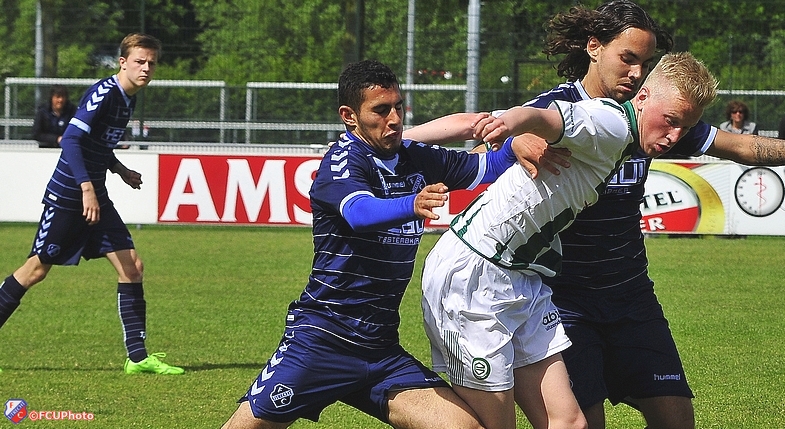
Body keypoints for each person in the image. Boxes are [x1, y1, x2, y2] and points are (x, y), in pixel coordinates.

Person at [409, 1, 785, 427]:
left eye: (645, 63)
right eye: (628, 59)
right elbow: (488, 139)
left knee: (672, 418)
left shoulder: (659, 119)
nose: (636, 72)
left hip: (628, 291)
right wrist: (513, 138)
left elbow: (745, 148)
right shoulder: (576, 111)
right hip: (561, 294)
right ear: (594, 47)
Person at [221, 59, 532, 429]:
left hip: (381, 349)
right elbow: (359, 213)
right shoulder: (341, 160)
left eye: (398, 107)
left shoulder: (415, 156)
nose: (395, 119)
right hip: (322, 340)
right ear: (349, 116)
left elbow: (485, 168)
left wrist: (522, 140)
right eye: (381, 110)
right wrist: (412, 204)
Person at [419, 51, 716, 429]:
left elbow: (474, 123)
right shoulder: (611, 124)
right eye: (671, 121)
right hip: (472, 274)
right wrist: (514, 123)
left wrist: (399, 141)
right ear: (641, 98)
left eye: (685, 129)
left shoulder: (623, 138)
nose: (674, 137)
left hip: (522, 276)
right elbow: (544, 118)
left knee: (571, 423)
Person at [0, 33, 183, 376]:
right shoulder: (105, 94)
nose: (146, 68)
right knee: (34, 271)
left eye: (152, 63)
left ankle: (138, 357)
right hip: (71, 196)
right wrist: (86, 188)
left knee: (132, 267)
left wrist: (119, 169)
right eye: (140, 61)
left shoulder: (129, 99)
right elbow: (70, 139)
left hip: (95, 195)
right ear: (123, 62)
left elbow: (96, 144)